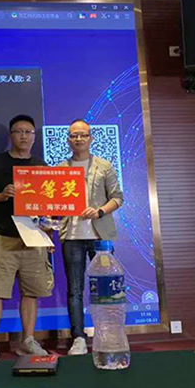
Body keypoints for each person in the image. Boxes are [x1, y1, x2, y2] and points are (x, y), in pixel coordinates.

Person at [0, 114, 53, 362]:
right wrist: (1, 196)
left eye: (28, 132)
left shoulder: (41, 166)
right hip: (3, 236)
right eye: (19, 131)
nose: (24, 136)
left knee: (31, 292)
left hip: (35, 237)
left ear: (34, 137)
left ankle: (28, 340)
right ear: (11, 135)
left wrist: (49, 230)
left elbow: (49, 204)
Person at [59, 119, 123, 355]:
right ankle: (78, 337)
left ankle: (109, 334)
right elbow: (54, 203)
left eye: (83, 135)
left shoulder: (104, 166)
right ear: (68, 140)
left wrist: (99, 211)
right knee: (74, 289)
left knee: (106, 289)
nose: (78, 139)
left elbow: (118, 197)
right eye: (74, 135)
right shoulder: (60, 169)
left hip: (100, 237)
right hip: (72, 236)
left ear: (91, 138)